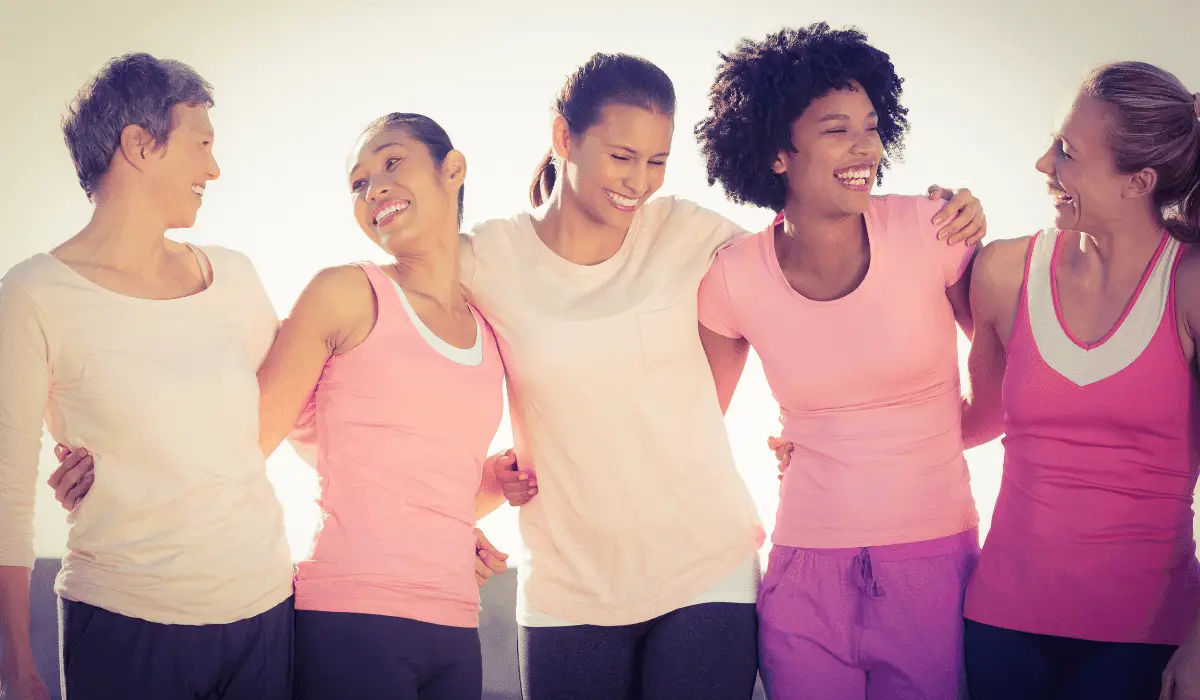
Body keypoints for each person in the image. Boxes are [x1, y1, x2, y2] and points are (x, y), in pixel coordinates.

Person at [466, 51, 984, 700]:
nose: (639, 181)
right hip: (566, 580)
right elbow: (412, 379)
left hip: (706, 568)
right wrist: (458, 507)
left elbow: (807, 262)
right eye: (622, 156)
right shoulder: (485, 259)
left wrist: (944, 212)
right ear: (563, 137)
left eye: (656, 161)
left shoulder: (691, 234)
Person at [46, 112, 529, 699]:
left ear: (452, 170)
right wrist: (116, 468)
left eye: (391, 163)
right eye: (358, 181)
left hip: (455, 622)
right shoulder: (345, 293)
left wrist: (491, 490)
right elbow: (242, 442)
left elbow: (417, 488)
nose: (373, 187)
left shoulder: (489, 330)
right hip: (353, 615)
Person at [694, 24, 981, 699]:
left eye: (872, 126)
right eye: (835, 129)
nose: (865, 148)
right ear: (776, 154)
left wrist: (910, 443)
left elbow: (1009, 385)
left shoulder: (932, 230)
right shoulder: (733, 278)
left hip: (932, 561)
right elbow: (692, 420)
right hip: (803, 573)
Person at [0, 53, 294, 700]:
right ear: (139, 144)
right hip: (125, 621)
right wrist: (17, 667)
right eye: (202, 143)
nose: (214, 168)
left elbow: (303, 422)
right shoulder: (33, 295)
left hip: (265, 613)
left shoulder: (234, 275)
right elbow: (7, 495)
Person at [957, 62, 1200, 700]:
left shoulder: (1190, 286)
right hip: (1001, 623)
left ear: (1138, 182)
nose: (1044, 164)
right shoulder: (1004, 271)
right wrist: (831, 434)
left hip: (1143, 633)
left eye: (1067, 152)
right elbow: (974, 420)